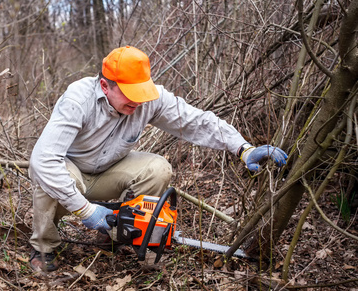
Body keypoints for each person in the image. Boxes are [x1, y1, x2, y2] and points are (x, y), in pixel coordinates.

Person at [28, 46, 287, 271]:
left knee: (157, 168)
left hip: (108, 170)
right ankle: (44, 247)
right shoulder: (78, 99)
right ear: (105, 85)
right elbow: (44, 160)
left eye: (141, 92)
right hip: (72, 170)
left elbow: (195, 121)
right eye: (130, 93)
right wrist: (85, 210)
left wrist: (242, 148)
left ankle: (118, 235)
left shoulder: (148, 98)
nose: (138, 101)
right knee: (48, 173)